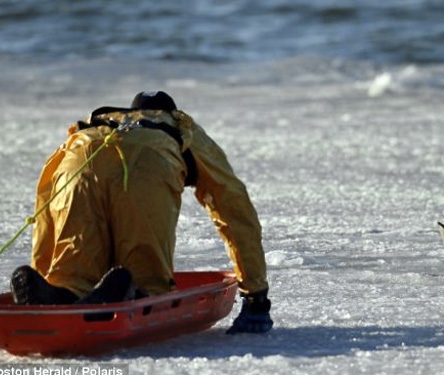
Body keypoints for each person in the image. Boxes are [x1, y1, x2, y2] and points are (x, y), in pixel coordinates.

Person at [9, 91, 273, 334]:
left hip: (77, 163)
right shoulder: (180, 126)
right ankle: (133, 292)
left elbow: (46, 203)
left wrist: (44, 272)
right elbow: (234, 208)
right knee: (147, 280)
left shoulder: (93, 125)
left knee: (72, 275)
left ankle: (61, 293)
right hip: (146, 165)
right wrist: (256, 295)